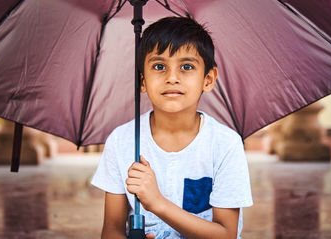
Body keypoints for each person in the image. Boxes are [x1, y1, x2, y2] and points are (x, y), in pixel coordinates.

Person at [91, 16, 253, 239]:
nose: (172, 78)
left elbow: (226, 234)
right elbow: (112, 228)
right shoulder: (121, 141)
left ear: (208, 79)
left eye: (186, 66)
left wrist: (158, 204)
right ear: (142, 81)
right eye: (159, 66)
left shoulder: (225, 144)